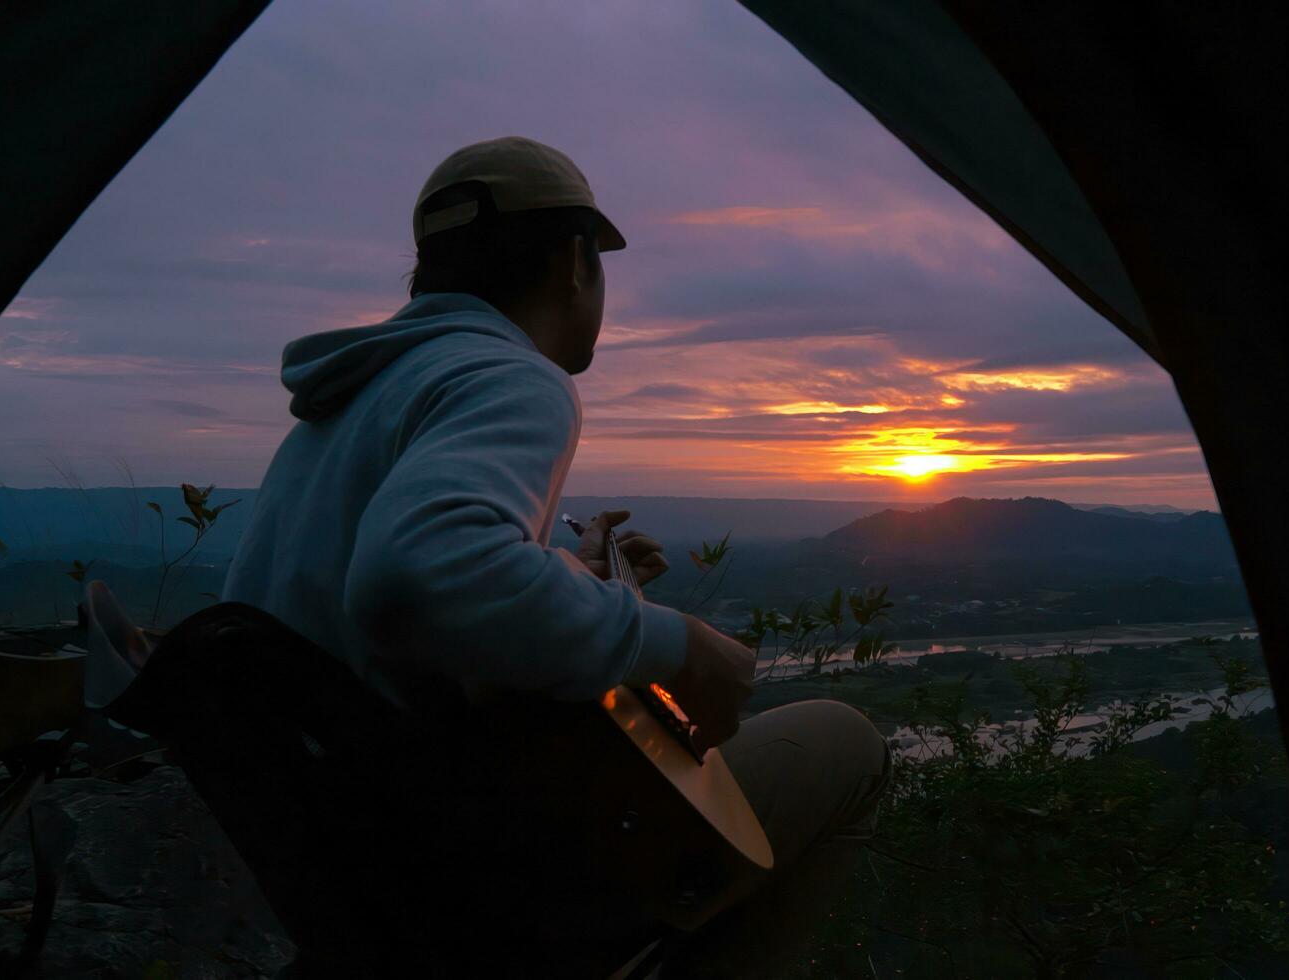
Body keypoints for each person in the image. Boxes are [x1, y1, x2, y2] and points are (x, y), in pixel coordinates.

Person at [221, 136, 890, 976]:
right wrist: (670, 642)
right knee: (848, 744)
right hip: (470, 874)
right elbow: (411, 578)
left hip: (357, 865)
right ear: (574, 263)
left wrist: (571, 575)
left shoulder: (341, 405)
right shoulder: (511, 376)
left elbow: (395, 627)